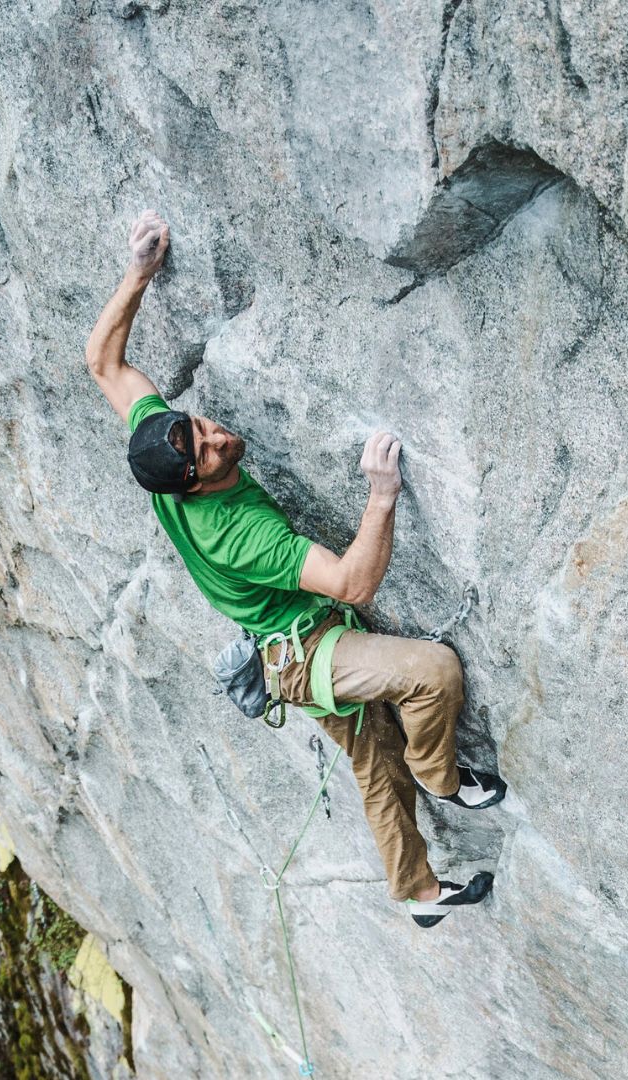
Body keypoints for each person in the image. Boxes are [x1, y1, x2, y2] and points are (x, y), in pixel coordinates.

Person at [83, 209, 505, 928]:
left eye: (201, 425)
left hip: (283, 652)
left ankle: (416, 894)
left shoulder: (160, 443)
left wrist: (140, 269)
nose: (217, 437)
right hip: (309, 648)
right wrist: (381, 496)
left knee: (374, 764)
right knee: (432, 673)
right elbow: (353, 583)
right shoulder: (241, 533)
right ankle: (441, 777)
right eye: (206, 452)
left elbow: (104, 363)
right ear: (189, 483)